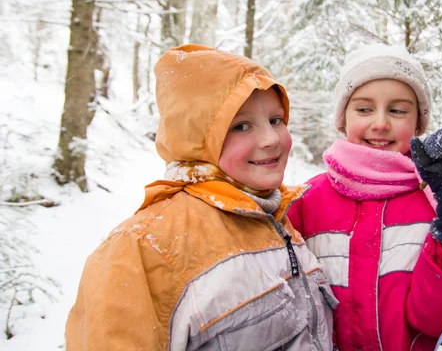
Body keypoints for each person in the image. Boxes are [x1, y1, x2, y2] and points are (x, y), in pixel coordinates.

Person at [65, 44, 337, 351]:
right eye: (241, 126)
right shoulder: (140, 249)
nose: (271, 139)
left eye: (276, 120)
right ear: (196, 140)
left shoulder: (275, 217)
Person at [287, 44, 442, 351]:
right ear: (342, 119)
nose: (381, 123)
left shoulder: (434, 202)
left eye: (397, 110)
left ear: (418, 123)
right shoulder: (306, 201)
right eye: (364, 109)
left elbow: (430, 319)